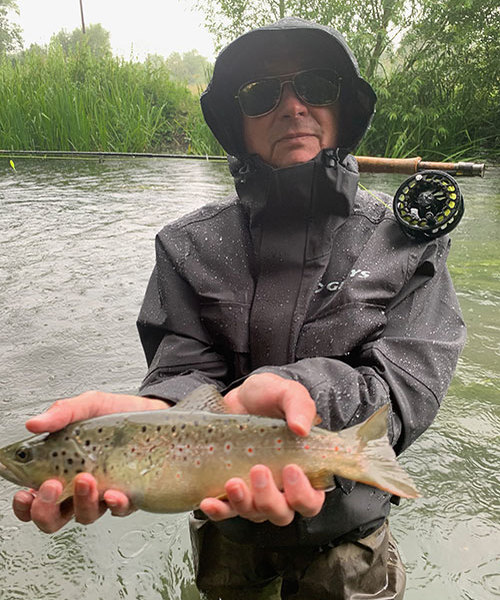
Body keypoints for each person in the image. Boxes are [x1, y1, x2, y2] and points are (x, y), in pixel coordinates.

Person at [12, 17, 466, 600]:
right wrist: (157, 416)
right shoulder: (185, 246)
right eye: (261, 93)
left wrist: (295, 391)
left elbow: (409, 387)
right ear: (236, 122)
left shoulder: (406, 242)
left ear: (344, 105)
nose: (293, 106)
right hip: (223, 524)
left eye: (317, 85)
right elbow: (183, 373)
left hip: (351, 534)